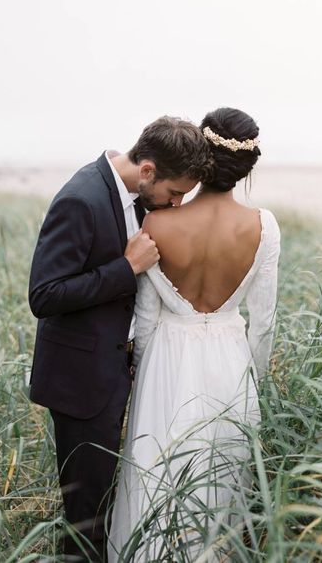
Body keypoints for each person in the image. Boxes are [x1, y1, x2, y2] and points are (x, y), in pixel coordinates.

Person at [27, 116, 213, 562]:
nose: (176, 203)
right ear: (148, 170)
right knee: (86, 517)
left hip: (111, 373)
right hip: (80, 382)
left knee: (101, 501)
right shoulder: (81, 199)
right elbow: (44, 295)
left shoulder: (132, 193)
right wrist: (124, 269)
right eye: (174, 193)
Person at [107, 107, 281, 562]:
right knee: (220, 476)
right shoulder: (263, 227)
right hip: (230, 361)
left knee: (155, 474)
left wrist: (142, 374)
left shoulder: (158, 223)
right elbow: (264, 322)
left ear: (200, 156)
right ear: (248, 167)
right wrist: (254, 381)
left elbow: (143, 320)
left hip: (167, 356)